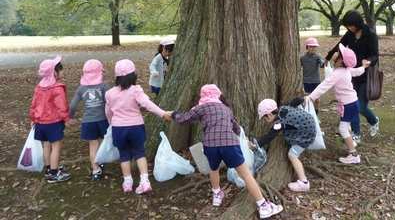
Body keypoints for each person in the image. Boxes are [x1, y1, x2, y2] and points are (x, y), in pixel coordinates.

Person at [167, 84, 283, 219]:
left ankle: (216, 195)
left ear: (203, 97)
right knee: (246, 175)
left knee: (214, 169)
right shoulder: (226, 109)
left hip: (210, 145)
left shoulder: (201, 108)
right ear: (218, 96)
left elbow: (183, 119)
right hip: (229, 144)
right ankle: (263, 206)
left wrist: (174, 114)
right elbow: (237, 128)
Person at [105, 59, 170, 194]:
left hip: (118, 128)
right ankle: (144, 180)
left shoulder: (110, 93)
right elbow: (147, 104)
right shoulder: (136, 90)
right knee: (140, 152)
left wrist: (111, 122)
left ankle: (128, 182)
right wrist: (163, 113)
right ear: (134, 75)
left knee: (124, 154)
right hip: (136, 126)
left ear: (116, 77)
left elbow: (108, 111)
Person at [307, 44, 368, 164]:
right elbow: (357, 71)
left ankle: (353, 154)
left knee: (343, 128)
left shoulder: (336, 73)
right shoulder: (346, 69)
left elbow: (323, 86)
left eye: (337, 53)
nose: (334, 53)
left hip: (348, 104)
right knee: (347, 126)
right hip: (352, 102)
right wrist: (364, 66)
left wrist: (310, 97)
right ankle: (352, 142)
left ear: (340, 59)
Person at [325, 9, 379, 143]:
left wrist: (369, 61)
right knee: (351, 104)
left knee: (360, 106)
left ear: (358, 23)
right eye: (348, 26)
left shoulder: (370, 35)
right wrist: (329, 56)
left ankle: (374, 121)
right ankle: (356, 133)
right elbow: (340, 45)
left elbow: (374, 55)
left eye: (352, 26)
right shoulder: (349, 34)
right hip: (350, 74)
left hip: (365, 74)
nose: (350, 28)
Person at [255, 96, 316, 192]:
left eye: (264, 118)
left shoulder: (279, 123)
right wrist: (303, 99)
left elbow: (270, 137)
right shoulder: (284, 107)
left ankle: (304, 182)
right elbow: (297, 100)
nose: (265, 121)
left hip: (306, 135)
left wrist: (256, 145)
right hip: (310, 124)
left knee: (292, 155)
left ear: (270, 114)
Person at [29, 56, 75, 183]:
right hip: (53, 123)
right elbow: (62, 106)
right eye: (61, 70)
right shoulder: (57, 88)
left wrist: (33, 118)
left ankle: (49, 168)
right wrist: (67, 119)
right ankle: (54, 174)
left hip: (41, 123)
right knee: (56, 147)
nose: (63, 72)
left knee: (47, 146)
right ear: (54, 73)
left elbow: (34, 104)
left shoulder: (39, 87)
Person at [69, 59, 109, 182]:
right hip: (102, 119)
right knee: (101, 141)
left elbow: (73, 106)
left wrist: (71, 117)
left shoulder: (81, 89)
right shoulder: (104, 85)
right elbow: (109, 102)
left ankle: (95, 170)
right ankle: (100, 161)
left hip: (88, 121)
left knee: (93, 145)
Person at [300, 37, 324, 114]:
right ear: (307, 47)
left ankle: (316, 114)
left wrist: (324, 64)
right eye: (311, 46)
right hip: (307, 81)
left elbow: (321, 64)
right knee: (308, 100)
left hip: (316, 81)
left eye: (315, 47)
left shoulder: (318, 56)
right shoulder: (303, 58)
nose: (313, 48)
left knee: (317, 100)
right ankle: (309, 114)